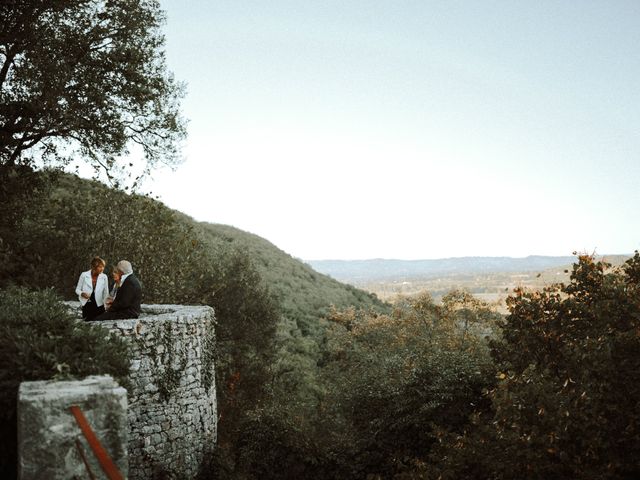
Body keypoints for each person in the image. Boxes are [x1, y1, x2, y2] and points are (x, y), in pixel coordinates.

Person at [75, 256, 110, 321]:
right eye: (100, 267)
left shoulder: (104, 277)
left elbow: (106, 293)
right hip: (87, 305)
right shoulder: (84, 275)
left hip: (99, 306)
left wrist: (106, 305)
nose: (102, 269)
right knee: (87, 326)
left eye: (103, 267)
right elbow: (77, 289)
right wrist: (82, 294)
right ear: (93, 267)